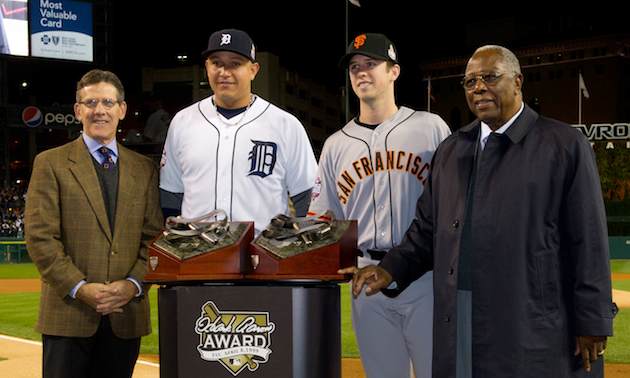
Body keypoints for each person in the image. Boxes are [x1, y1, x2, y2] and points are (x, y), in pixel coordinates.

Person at [350, 44, 617, 378]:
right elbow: (427, 231)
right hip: (459, 312)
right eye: (470, 82)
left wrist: (592, 319)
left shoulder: (562, 144)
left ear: (517, 82)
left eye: (490, 77)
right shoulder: (451, 149)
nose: (478, 88)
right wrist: (390, 268)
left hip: (531, 316)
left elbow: (588, 239)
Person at [310, 33, 450, 378]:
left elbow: (453, 208)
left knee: (440, 372)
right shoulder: (335, 145)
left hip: (426, 277)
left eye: (371, 64)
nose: (361, 72)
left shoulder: (430, 128)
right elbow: (325, 220)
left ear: (394, 72)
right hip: (366, 282)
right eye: (355, 67)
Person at [25, 69, 163, 378]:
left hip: (125, 316)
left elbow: (154, 239)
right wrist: (80, 287)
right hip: (69, 313)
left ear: (122, 109)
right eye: (90, 103)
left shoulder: (145, 169)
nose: (99, 110)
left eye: (107, 102)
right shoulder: (50, 163)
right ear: (77, 111)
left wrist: (133, 285)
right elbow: (40, 237)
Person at [160, 29, 317, 232]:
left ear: (253, 69)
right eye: (216, 63)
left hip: (263, 252)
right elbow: (171, 194)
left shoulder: (285, 125)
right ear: (206, 67)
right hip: (197, 252)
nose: (224, 72)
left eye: (235, 63)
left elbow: (308, 195)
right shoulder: (183, 121)